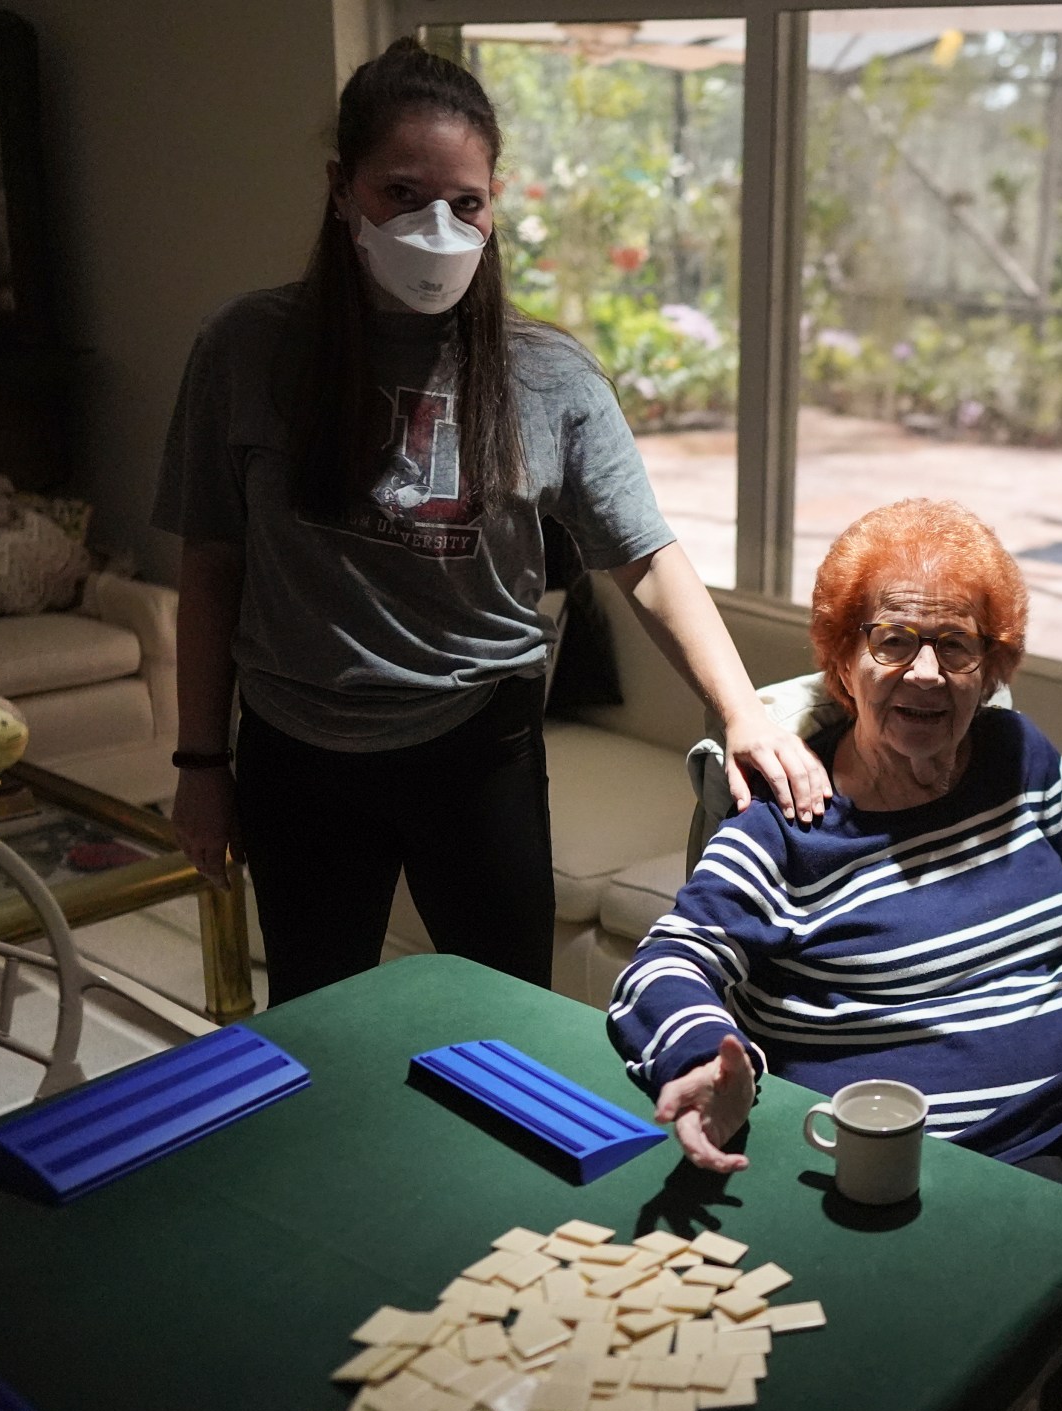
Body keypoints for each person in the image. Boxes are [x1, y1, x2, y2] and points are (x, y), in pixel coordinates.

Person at [606, 499, 1062, 1411]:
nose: (926, 674)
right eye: (894, 640)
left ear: (994, 663)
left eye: (958, 647)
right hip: (939, 1144)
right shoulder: (789, 816)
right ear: (844, 659)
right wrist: (704, 1049)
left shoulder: (1021, 759)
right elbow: (664, 964)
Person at [152, 40, 826, 1004]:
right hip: (297, 752)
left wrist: (742, 710)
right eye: (401, 193)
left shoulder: (549, 375)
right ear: (342, 190)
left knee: (509, 1026)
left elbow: (647, 557)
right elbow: (212, 564)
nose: (437, 225)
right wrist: (199, 763)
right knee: (316, 1019)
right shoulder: (245, 351)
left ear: (494, 204)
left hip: (476, 750)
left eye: (465, 202)